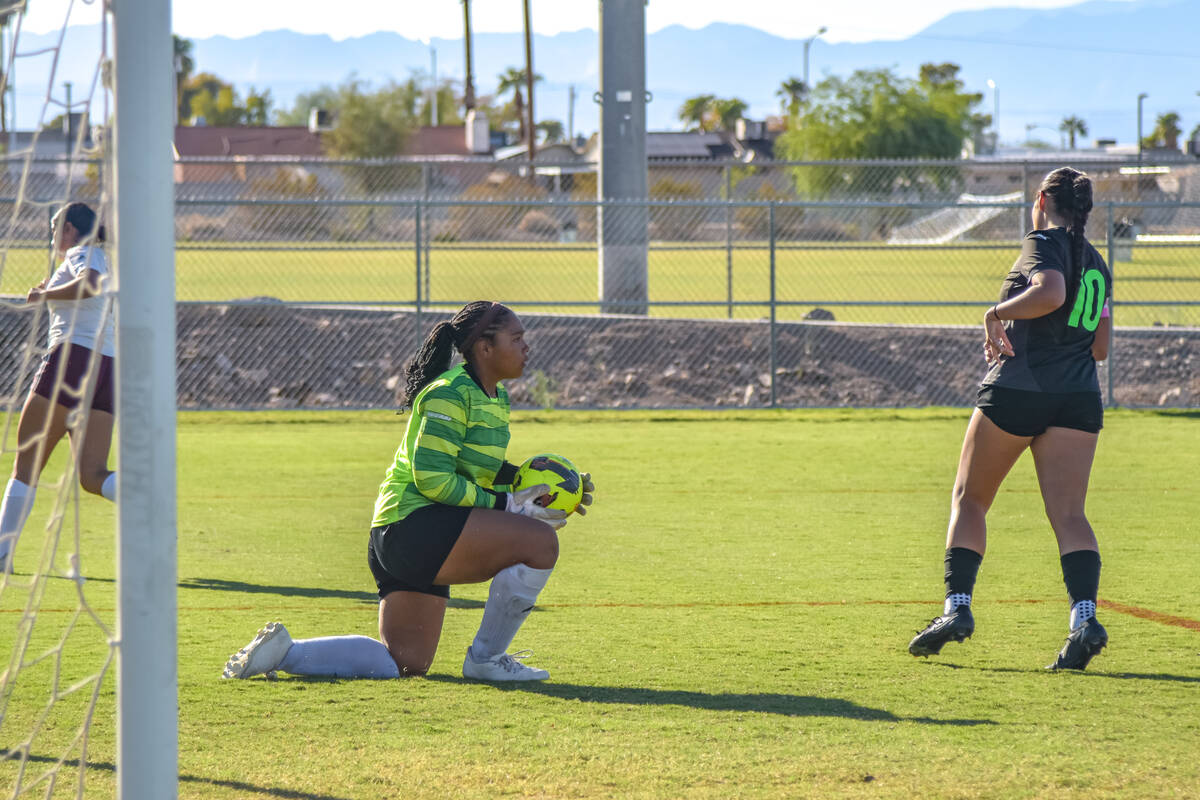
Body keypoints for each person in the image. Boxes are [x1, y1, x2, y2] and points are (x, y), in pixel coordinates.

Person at [223, 301, 594, 682]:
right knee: (540, 543)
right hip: (411, 528)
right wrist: (507, 505)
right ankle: (487, 660)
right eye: (516, 339)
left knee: (405, 662)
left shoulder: (494, 397)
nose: (526, 347)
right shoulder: (448, 394)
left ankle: (284, 652)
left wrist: (556, 486)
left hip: (410, 532)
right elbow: (432, 479)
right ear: (485, 348)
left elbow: (474, 467)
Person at [908, 167, 1113, 671]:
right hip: (1079, 397)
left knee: (969, 499)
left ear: (1042, 199)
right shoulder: (1097, 261)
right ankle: (1084, 619)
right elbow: (1102, 347)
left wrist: (995, 313)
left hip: (1019, 391)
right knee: (1070, 516)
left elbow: (1051, 293)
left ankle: (956, 609)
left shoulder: (1042, 240)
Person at [0, 202, 117, 572]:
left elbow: (90, 285)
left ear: (68, 228)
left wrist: (44, 295)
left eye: (54, 227)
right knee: (92, 475)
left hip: (72, 361)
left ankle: (1, 555)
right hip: (106, 369)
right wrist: (52, 288)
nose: (52, 236)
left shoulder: (84, 252)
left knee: (26, 466)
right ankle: (147, 496)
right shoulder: (98, 257)